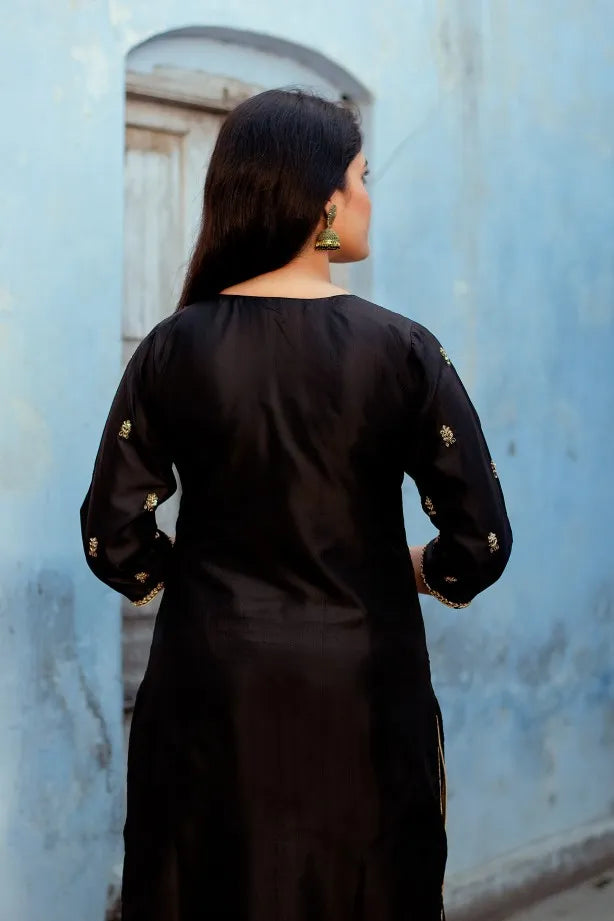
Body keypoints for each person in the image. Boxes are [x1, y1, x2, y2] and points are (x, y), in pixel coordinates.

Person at [81, 88, 512, 921]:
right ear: (323, 202)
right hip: (360, 701)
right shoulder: (404, 351)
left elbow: (113, 535)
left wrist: (203, 580)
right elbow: (480, 540)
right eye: (360, 176)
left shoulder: (175, 346)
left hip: (212, 698)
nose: (367, 196)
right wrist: (421, 569)